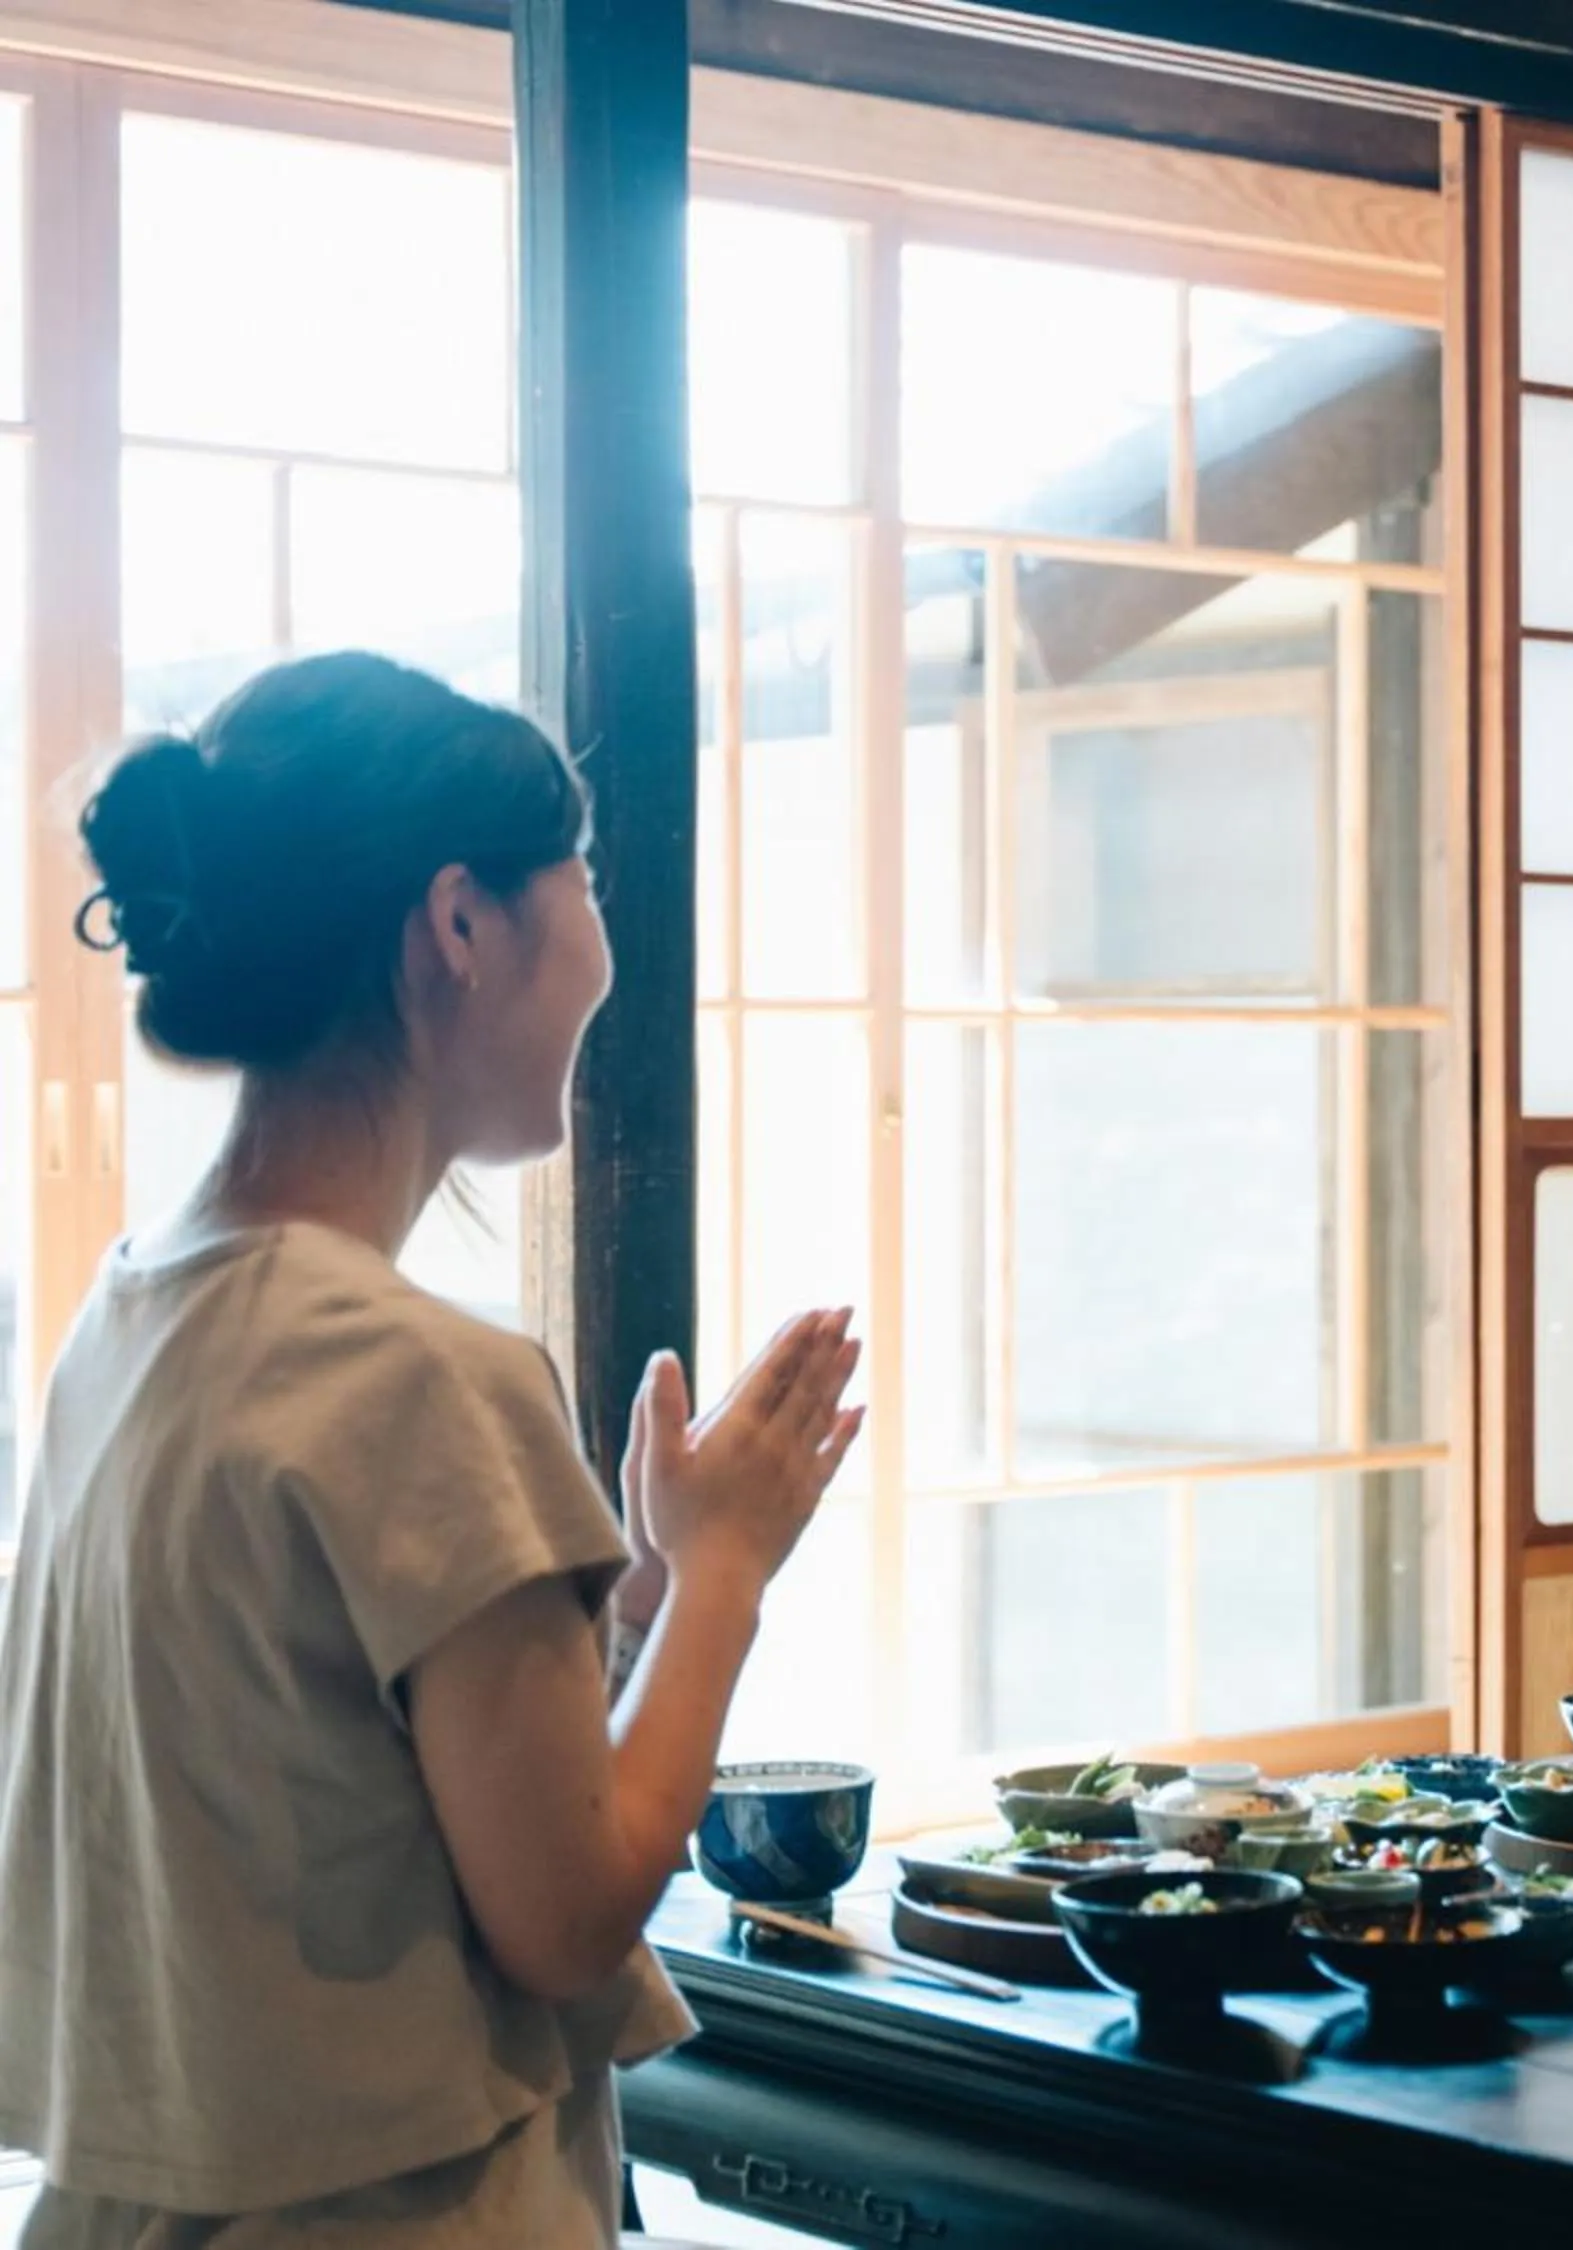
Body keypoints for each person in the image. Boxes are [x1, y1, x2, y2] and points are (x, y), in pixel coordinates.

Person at [0, 652, 862, 2244]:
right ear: (459, 924)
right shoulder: (420, 1372)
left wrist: (648, 1585)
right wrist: (734, 1567)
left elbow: (351, 1799)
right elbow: (570, 1907)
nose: (604, 937)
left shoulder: (118, 1324)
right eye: (584, 879)